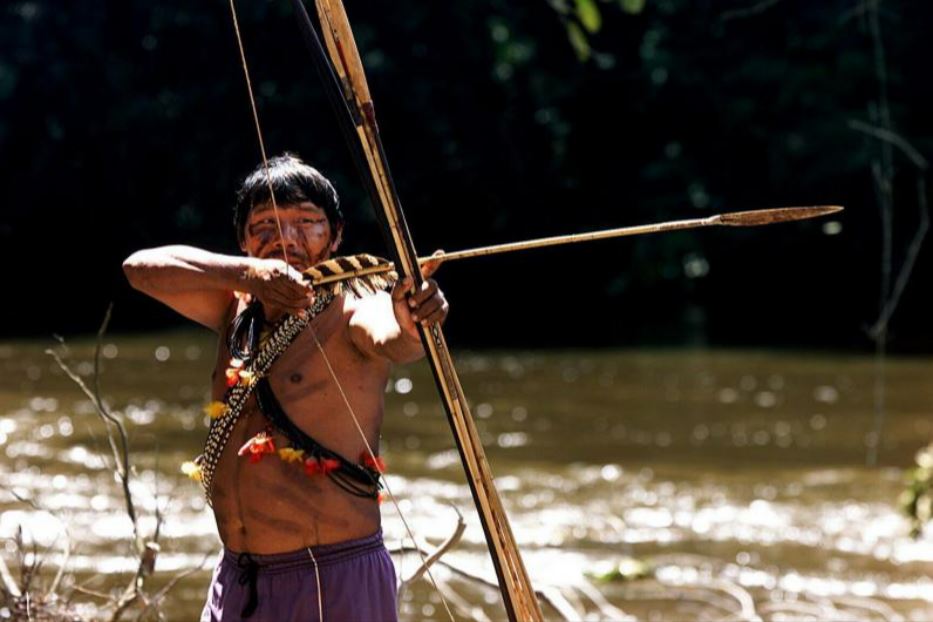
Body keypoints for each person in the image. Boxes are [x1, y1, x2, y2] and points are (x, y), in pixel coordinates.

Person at [123, 153, 448, 621]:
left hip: (329, 577)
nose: (285, 239)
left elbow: (396, 337)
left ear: (335, 236)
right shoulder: (235, 306)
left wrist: (414, 315)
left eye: (306, 223)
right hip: (239, 575)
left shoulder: (355, 310)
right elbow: (140, 269)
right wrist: (243, 275)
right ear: (243, 240)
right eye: (265, 224)